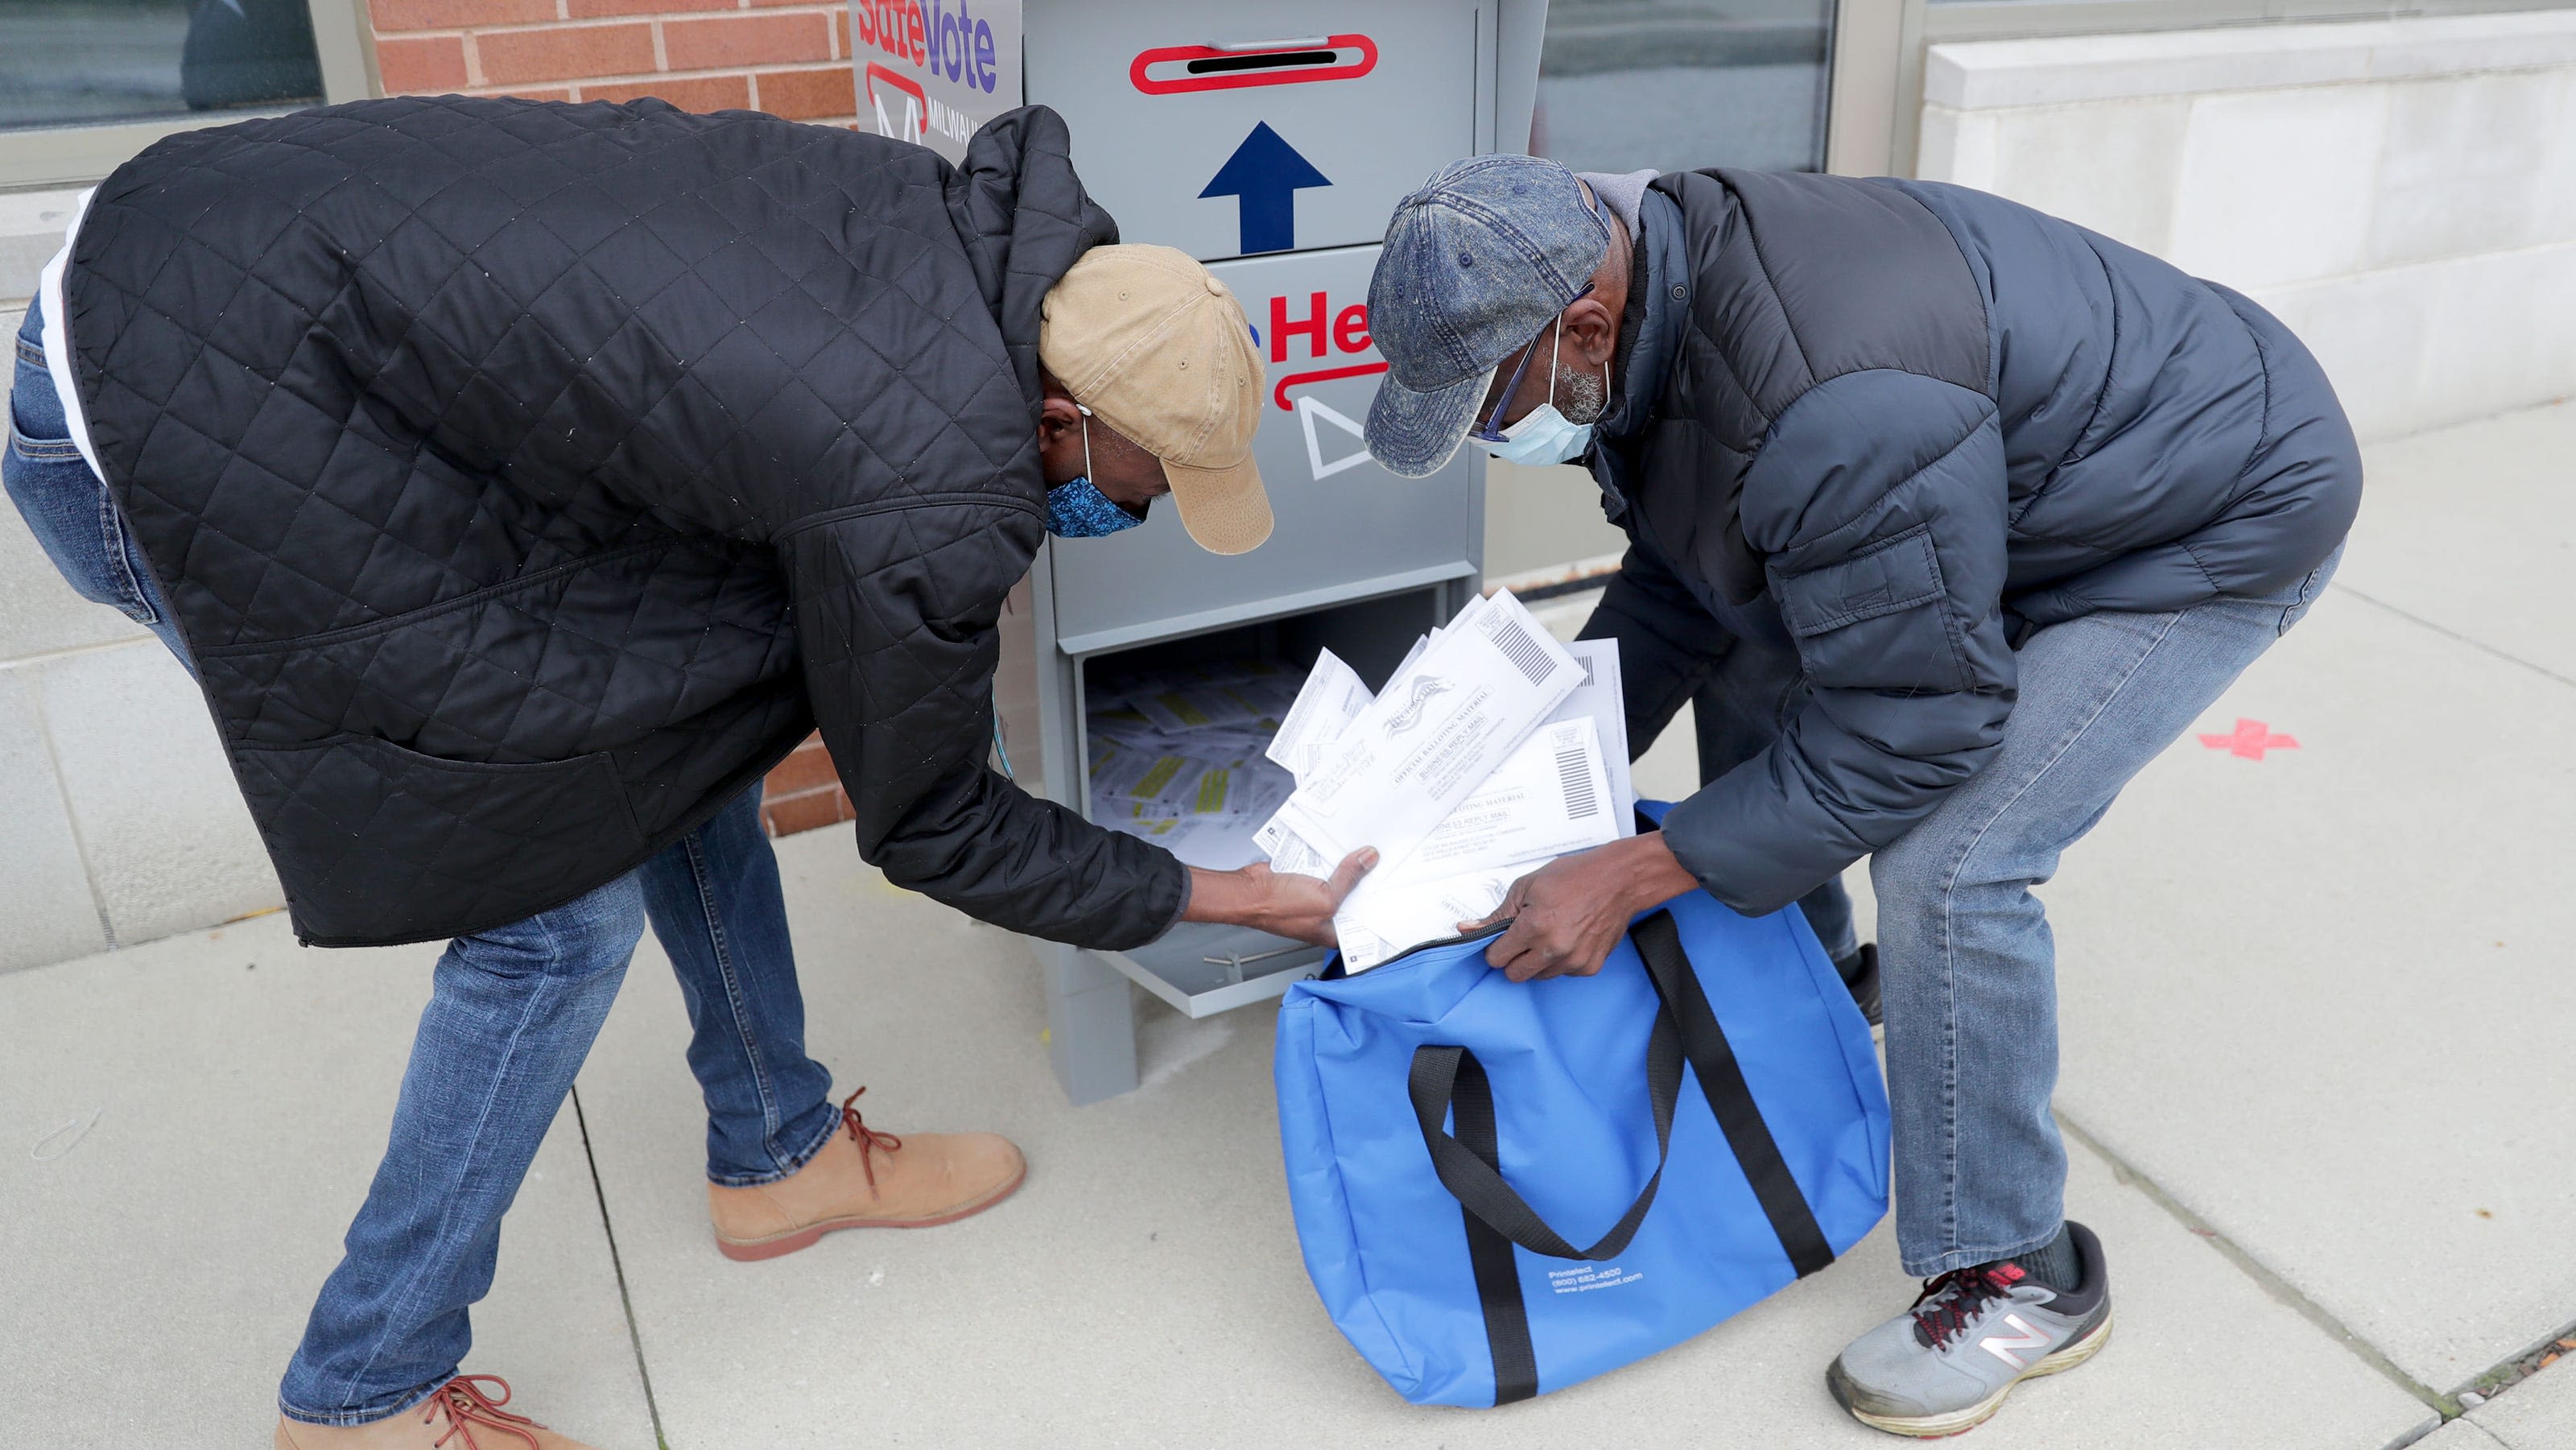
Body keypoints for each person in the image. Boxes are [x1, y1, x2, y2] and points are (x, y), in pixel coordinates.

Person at [9, 95, 1370, 1449]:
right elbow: (936, 821)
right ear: (1062, 416)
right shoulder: (929, 477)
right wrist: (1241, 897)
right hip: (179, 405)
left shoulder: (960, 237)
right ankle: (364, 1384)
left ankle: (777, 1152)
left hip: (245, 271)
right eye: (1144, 483)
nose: (1132, 514)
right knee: (552, 923)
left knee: (675, 719)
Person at [1360, 155, 2358, 1437]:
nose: (1494, 438)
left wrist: (1628, 869)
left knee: (1958, 859)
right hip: (2043, 462)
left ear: (1586, 327)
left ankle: (2018, 1269)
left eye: (1491, 404)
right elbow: (1690, 581)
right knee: (1752, 644)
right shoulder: (1654, 287)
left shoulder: (1828, 404)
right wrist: (1517, 773)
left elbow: (1919, 728)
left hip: (2211, 509)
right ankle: (1820, 988)